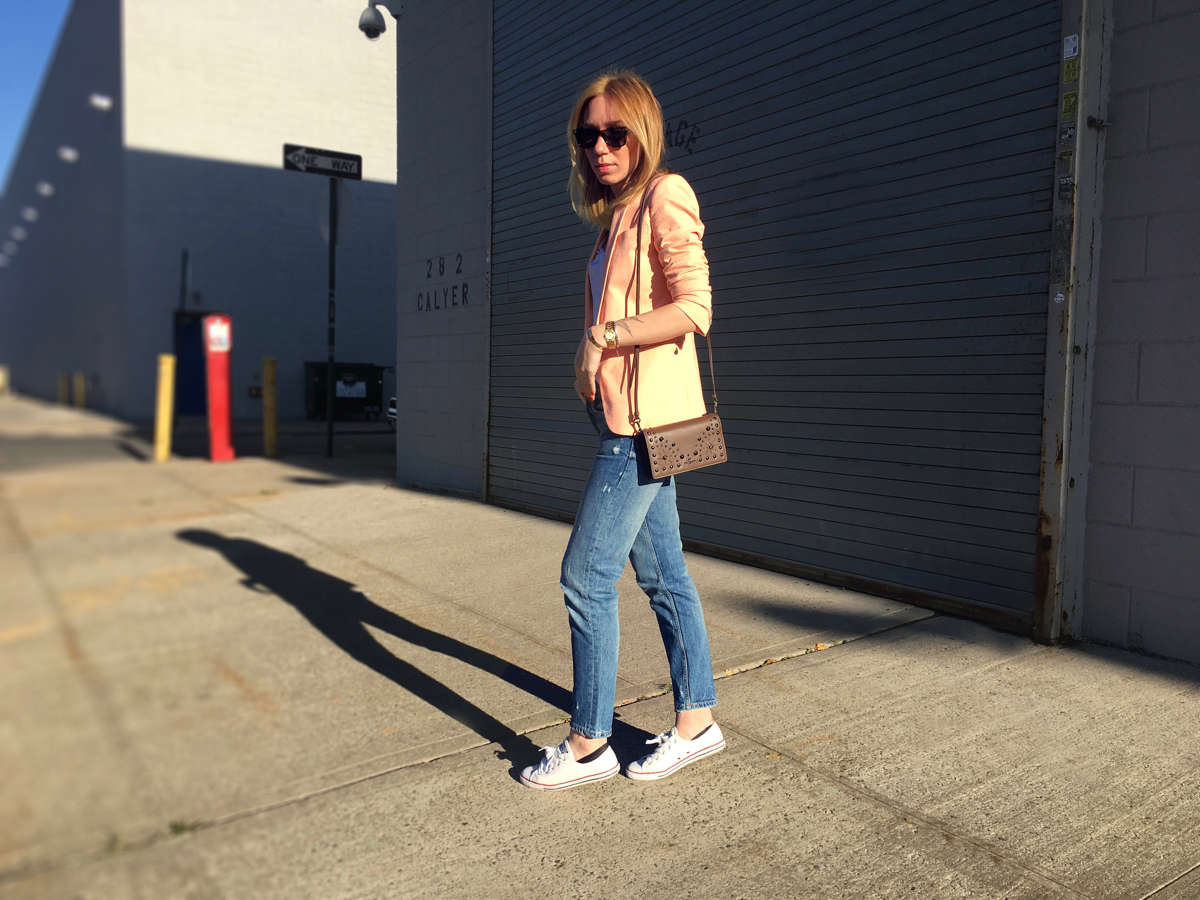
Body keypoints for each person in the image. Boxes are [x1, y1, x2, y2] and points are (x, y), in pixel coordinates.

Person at [519, 71, 724, 791]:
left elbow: (696, 306)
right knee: (663, 574)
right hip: (626, 418)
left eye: (614, 133)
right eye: (587, 135)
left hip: (645, 427)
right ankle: (698, 721)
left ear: (642, 133)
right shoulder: (617, 217)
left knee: (585, 576)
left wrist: (603, 336)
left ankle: (588, 744)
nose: (599, 146)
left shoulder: (666, 195)